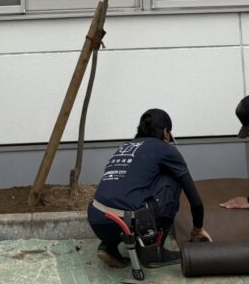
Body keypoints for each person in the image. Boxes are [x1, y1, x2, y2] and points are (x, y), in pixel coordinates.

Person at [88, 108, 213, 270]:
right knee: (174, 178)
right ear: (166, 132)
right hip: (127, 220)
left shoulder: (125, 147)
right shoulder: (165, 149)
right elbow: (195, 200)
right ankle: (155, 252)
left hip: (97, 219)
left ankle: (109, 246)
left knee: (123, 191)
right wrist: (198, 227)